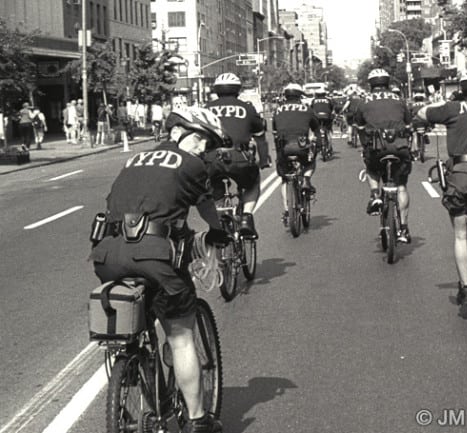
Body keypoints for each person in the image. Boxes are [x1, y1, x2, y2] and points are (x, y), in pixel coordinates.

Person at [89, 107, 230, 433]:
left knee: (139, 324)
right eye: (201, 140)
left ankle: (139, 368)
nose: (202, 150)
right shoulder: (191, 164)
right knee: (181, 338)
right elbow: (206, 207)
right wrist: (218, 231)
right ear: (182, 133)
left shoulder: (134, 160)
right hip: (152, 255)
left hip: (106, 255)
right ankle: (197, 420)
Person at [417, 68, 467, 304]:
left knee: (460, 234)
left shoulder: (453, 109)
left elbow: (421, 112)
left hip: (461, 175)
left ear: (462, 88)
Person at [204, 73, 271, 239]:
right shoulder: (247, 108)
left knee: (212, 186)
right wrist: (263, 161)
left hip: (211, 159)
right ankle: (247, 217)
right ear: (238, 90)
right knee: (252, 183)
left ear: (216, 90)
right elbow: (260, 138)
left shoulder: (205, 109)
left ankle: (219, 220)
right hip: (238, 157)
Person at [355, 68, 413, 243]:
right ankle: (403, 229)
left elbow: (359, 127)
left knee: (371, 169)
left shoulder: (363, 101)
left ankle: (375, 195)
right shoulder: (400, 99)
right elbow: (409, 125)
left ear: (371, 84)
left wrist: (365, 146)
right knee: (401, 187)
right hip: (399, 147)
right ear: (388, 83)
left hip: (376, 149)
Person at [272, 83, 319, 223]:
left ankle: (287, 210)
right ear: (300, 95)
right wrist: (319, 143)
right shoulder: (307, 109)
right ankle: (306, 180)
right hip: (301, 146)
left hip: (284, 148)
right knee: (311, 162)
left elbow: (274, 131)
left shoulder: (278, 110)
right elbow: (316, 128)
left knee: (285, 179)